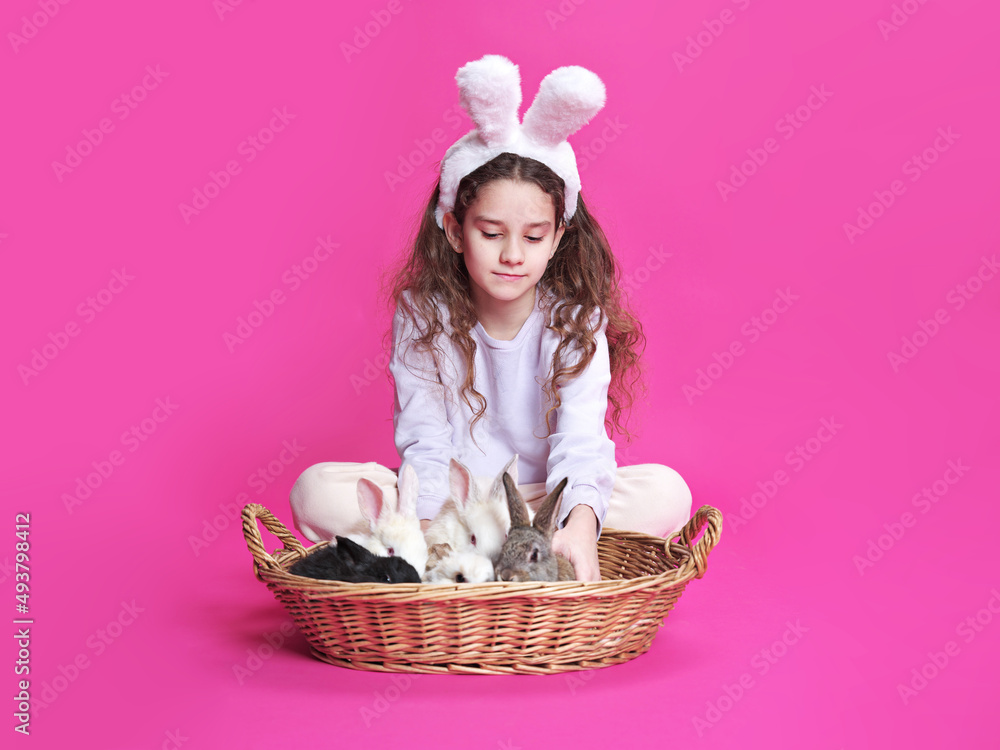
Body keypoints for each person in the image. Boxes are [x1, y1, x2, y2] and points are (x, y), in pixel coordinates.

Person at [290, 54, 692, 581]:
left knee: (668, 493)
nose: (512, 255)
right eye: (490, 232)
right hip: (454, 502)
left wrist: (579, 519)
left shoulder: (575, 319)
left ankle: (541, 544)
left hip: (544, 499)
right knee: (315, 490)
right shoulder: (422, 313)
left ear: (557, 238)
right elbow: (425, 437)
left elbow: (581, 439)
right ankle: (502, 550)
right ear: (455, 230)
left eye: (532, 237)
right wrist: (434, 532)